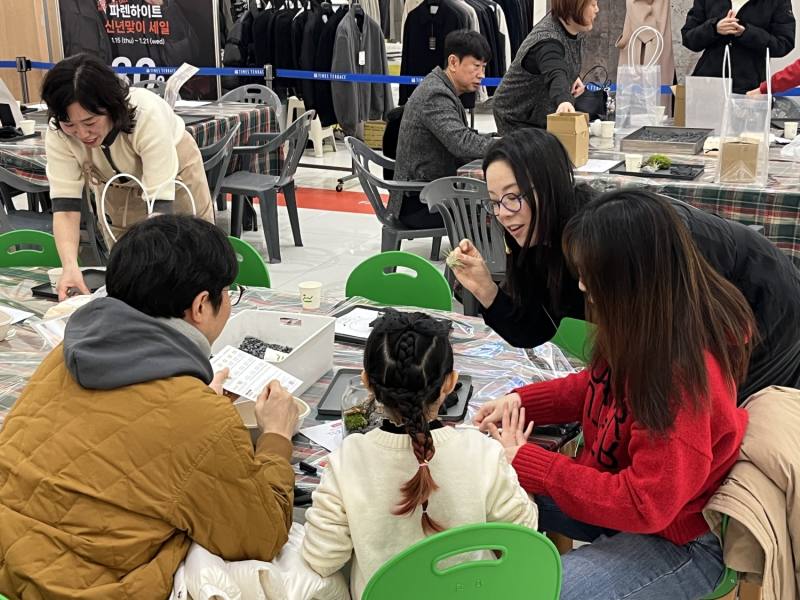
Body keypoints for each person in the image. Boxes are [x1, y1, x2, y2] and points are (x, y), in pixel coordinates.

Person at [0, 216, 298, 599]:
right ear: (201, 305)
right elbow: (262, 535)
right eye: (229, 293)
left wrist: (195, 400)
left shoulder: (63, 357)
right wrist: (276, 436)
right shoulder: (199, 418)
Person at [477, 190, 755, 599]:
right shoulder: (646, 325)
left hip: (678, 539)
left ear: (630, 280)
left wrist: (534, 463)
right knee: (481, 490)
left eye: (590, 274)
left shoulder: (682, 381)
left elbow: (645, 503)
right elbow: (593, 385)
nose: (582, 284)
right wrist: (522, 401)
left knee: (536, 589)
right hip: (625, 500)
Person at [449, 128, 800, 401]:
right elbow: (535, 329)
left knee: (727, 418)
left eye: (513, 197)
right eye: (494, 201)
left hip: (764, 301)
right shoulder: (534, 239)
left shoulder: (612, 237)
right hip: (699, 315)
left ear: (549, 187)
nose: (503, 214)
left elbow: (663, 357)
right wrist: (485, 288)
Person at [302, 309, 538, 599]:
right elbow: (525, 534)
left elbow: (322, 558)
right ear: (450, 383)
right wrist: (516, 470)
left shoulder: (347, 460)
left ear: (366, 382)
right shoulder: (482, 453)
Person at [41, 53, 215, 300]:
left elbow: (160, 210)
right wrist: (70, 267)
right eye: (70, 124)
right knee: (127, 270)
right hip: (114, 184)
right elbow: (66, 208)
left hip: (174, 179)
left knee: (191, 256)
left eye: (90, 122)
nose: (82, 134)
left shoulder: (146, 112)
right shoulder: (59, 133)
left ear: (112, 108)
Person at [391, 30, 494, 230]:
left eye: (483, 67)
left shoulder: (441, 87)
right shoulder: (435, 93)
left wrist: (495, 139)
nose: (482, 74)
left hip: (430, 192)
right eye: (476, 66)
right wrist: (507, 145)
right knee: (500, 209)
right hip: (419, 203)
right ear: (453, 62)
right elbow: (461, 144)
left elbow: (462, 137)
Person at [492, 0, 598, 134]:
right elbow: (554, 71)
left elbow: (557, 63)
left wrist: (572, 75)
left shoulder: (568, 27)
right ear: (574, 7)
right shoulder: (547, 40)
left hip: (539, 114)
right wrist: (564, 100)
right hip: (517, 117)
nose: (597, 10)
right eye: (593, 5)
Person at [681, 0, 795, 95]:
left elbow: (783, 44)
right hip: (707, 84)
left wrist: (747, 33)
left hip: (750, 88)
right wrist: (714, 28)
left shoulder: (776, 2)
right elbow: (688, 38)